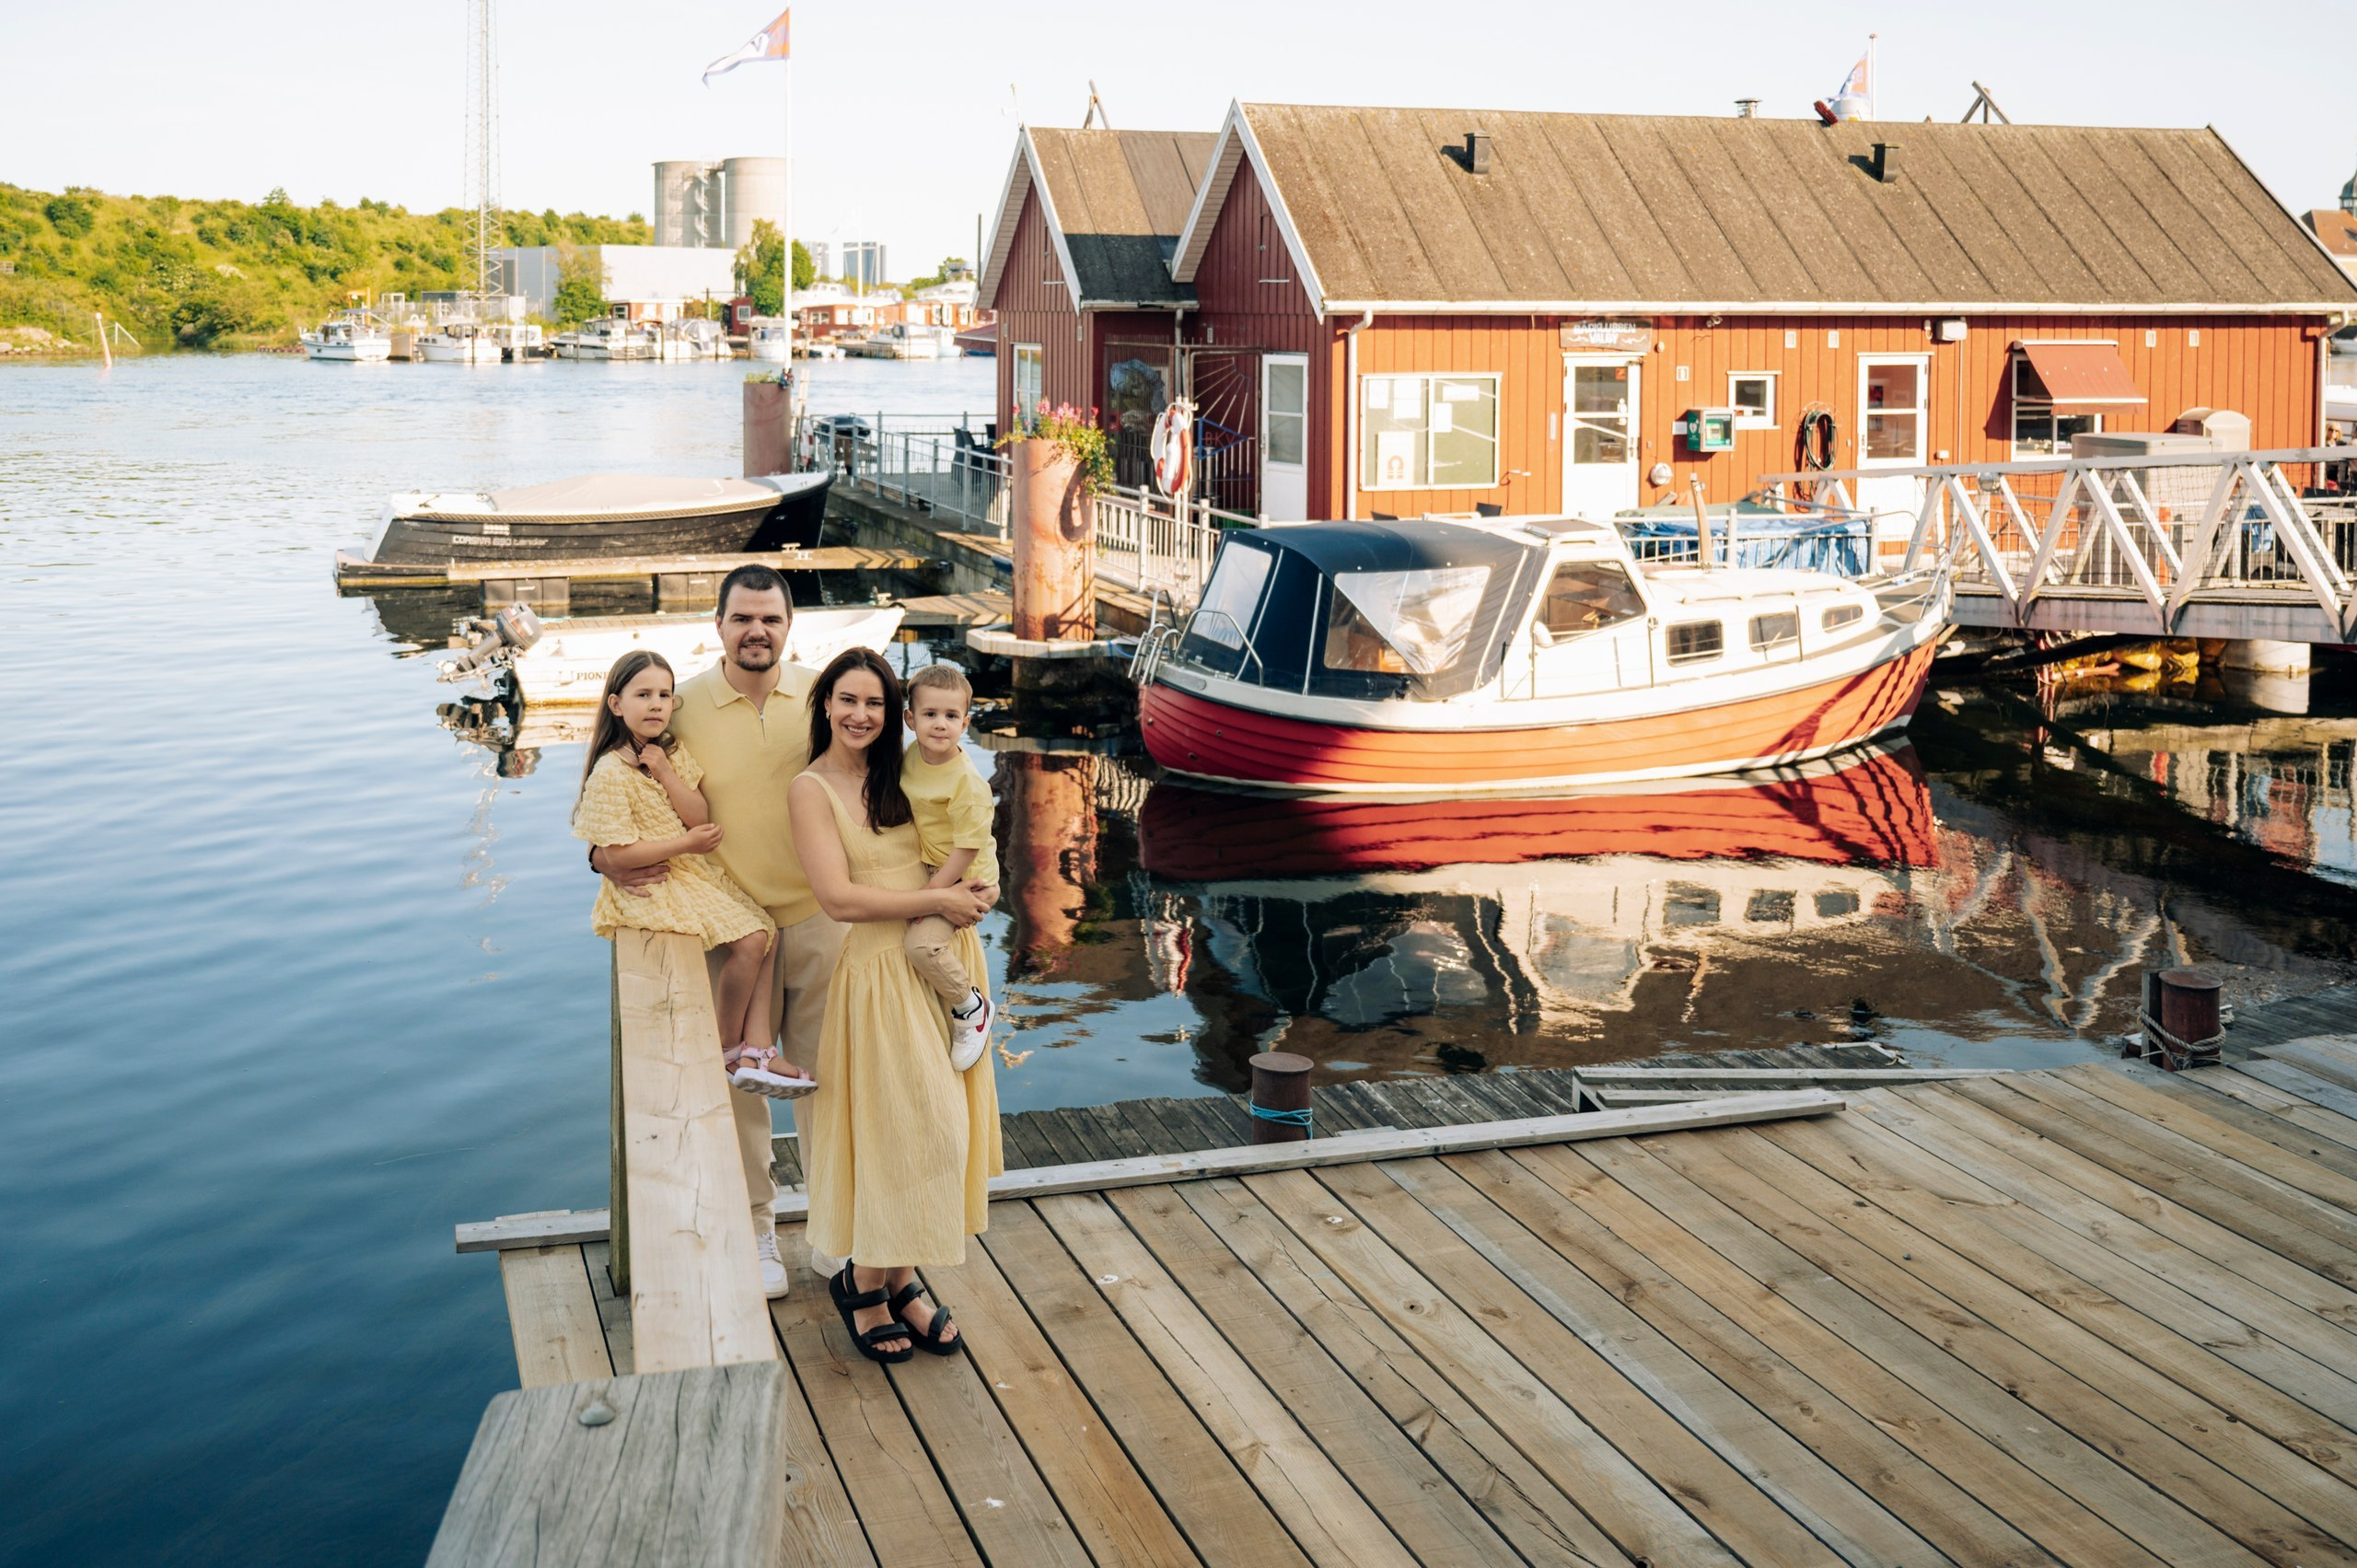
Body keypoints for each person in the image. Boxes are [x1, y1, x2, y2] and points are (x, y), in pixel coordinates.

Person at [591, 566, 991, 1299]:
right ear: (717, 624)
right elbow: (623, 772)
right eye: (742, 617)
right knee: (742, 1080)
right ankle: (757, 1227)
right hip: (731, 917)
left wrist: (967, 867)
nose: (757, 630)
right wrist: (602, 856)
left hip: (822, 916)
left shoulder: (823, 694)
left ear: (788, 625)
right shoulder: (683, 706)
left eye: (770, 618)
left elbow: (918, 782)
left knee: (830, 1076)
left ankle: (835, 1225)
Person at [788, 649, 1000, 1362]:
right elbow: (839, 899)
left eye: (874, 702)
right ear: (825, 703)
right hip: (879, 971)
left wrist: (977, 888)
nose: (860, 714)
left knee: (943, 1129)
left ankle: (902, 1274)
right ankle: (865, 1280)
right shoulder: (810, 789)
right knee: (911, 1127)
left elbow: (966, 833)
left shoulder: (904, 771)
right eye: (847, 699)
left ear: (894, 712)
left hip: (939, 960)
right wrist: (936, 899)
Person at [571, 651, 808, 1098]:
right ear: (617, 704)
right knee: (754, 939)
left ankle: (755, 1046)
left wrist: (663, 770)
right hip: (653, 882)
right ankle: (724, 1047)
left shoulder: (669, 753)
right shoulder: (610, 771)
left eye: (664, 694)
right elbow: (617, 854)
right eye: (643, 695)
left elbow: (698, 813)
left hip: (686, 870)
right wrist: (685, 845)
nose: (657, 704)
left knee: (765, 930)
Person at [900, 663, 998, 1071]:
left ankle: (970, 1007)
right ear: (910, 719)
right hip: (934, 865)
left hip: (968, 879)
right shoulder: (911, 756)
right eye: (930, 714)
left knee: (920, 945)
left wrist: (930, 895)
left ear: (966, 723)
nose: (940, 725)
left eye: (951, 716)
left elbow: (966, 850)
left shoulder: (967, 784)